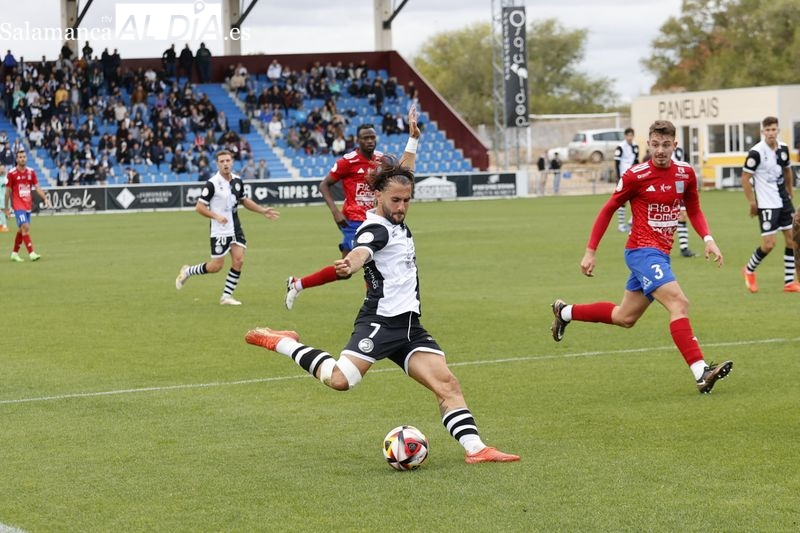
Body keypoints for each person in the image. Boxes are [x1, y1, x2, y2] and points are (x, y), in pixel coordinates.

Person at [245, 155, 520, 464]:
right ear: (378, 196)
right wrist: (351, 262)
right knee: (340, 380)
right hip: (380, 322)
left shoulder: (395, 215)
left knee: (447, 384)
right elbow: (363, 249)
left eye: (406, 200)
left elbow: (403, 175)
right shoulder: (376, 229)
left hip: (408, 328)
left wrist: (413, 141)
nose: (401, 206)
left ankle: (476, 449)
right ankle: (282, 341)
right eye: (395, 200)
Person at [549, 120, 733, 394]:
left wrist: (708, 239)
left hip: (661, 255)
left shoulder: (685, 174)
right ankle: (701, 372)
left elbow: (693, 208)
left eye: (666, 145)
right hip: (641, 252)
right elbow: (608, 209)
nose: (660, 150)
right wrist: (590, 250)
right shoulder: (636, 175)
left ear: (675, 145)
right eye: (656, 144)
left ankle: (565, 312)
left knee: (625, 317)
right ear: (648, 144)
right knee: (679, 303)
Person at [284, 106, 421, 310]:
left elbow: (404, 174)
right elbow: (324, 184)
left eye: (372, 137)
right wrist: (335, 211)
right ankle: (375, 306)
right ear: (358, 140)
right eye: (365, 138)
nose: (370, 141)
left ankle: (298, 283)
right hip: (355, 220)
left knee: (346, 271)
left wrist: (413, 139)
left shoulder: (382, 160)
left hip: (378, 218)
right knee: (356, 264)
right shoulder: (348, 161)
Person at [175, 150, 280, 305]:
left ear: (232, 162)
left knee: (239, 260)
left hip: (235, 228)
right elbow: (199, 207)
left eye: (228, 160)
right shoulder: (212, 184)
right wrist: (216, 216)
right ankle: (188, 271)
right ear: (217, 164)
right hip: (219, 230)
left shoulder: (238, 181)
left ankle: (226, 296)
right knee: (216, 266)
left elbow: (244, 201)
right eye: (222, 161)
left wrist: (262, 210)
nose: (225, 164)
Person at [741, 116, 800, 293]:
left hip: (783, 200)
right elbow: (745, 178)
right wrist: (752, 202)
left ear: (778, 130)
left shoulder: (783, 149)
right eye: (767, 130)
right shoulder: (756, 152)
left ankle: (789, 282)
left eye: (773, 129)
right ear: (762, 132)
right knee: (769, 244)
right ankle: (749, 270)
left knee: (792, 239)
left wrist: (790, 190)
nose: (771, 133)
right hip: (767, 203)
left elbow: (787, 170)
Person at [6, 150, 52, 262]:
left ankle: (14, 253)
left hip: (27, 205)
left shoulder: (31, 172)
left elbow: (37, 187)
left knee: (21, 230)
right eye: (20, 157)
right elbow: (8, 192)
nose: (22, 159)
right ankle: (31, 253)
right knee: (25, 227)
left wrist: (45, 198)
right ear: (16, 159)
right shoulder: (12, 173)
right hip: (18, 205)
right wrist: (6, 208)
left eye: (24, 157)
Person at [672, 144, 697, 258]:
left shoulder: (680, 151)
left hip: (679, 187)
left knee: (682, 215)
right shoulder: (660, 153)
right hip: (666, 188)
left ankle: (684, 248)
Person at [613, 127, 639, 233]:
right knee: (622, 201)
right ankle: (621, 225)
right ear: (625, 136)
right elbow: (617, 162)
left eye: (631, 135)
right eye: (628, 135)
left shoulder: (635, 145)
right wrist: (619, 176)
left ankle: (632, 221)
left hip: (633, 175)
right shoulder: (620, 147)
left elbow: (636, 160)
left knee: (637, 198)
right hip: (623, 176)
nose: (630, 137)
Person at [0, 164, 8, 232]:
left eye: (3, 168)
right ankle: (1, 225)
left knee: (2, 212)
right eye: (1, 169)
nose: (2, 170)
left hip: (3, 198)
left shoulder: (6, 178)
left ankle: (4, 226)